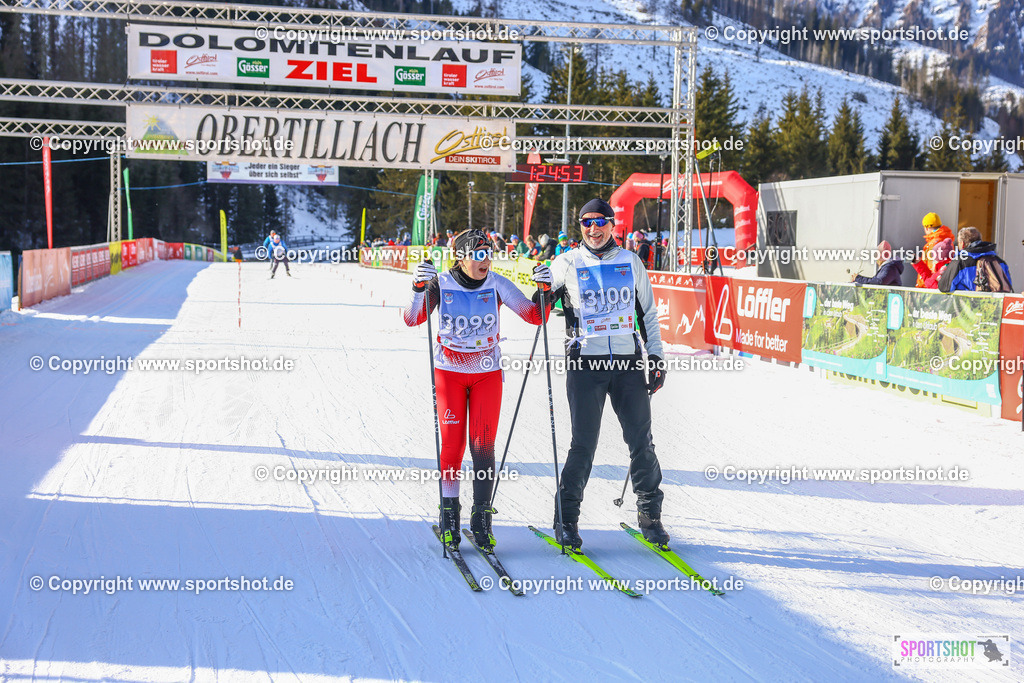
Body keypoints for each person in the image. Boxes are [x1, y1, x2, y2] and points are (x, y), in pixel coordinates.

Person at [404, 229, 553, 550]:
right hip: (449, 373)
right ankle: (449, 517)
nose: (486, 260)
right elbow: (412, 319)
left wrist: (544, 290)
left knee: (483, 448)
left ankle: (481, 518)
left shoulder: (496, 283)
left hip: (487, 374)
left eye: (489, 253)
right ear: (461, 257)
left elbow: (535, 315)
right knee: (453, 445)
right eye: (478, 254)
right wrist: (418, 288)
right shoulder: (441, 283)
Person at [548, 198, 668, 549]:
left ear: (613, 225)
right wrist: (542, 287)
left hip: (628, 362)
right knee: (583, 445)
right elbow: (539, 306)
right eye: (586, 223)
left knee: (641, 443)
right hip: (587, 364)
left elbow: (647, 314)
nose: (593, 229)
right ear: (580, 227)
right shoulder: (566, 262)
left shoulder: (631, 262)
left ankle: (650, 516)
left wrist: (656, 357)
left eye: (600, 222)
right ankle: (566, 519)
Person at [938, 227, 1013, 293]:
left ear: (962, 244)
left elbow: (945, 287)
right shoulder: (999, 261)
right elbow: (1007, 284)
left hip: (966, 306)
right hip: (993, 306)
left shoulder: (960, 262)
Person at [916, 213, 955, 287]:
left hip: (932, 285)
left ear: (926, 228)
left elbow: (931, 269)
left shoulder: (931, 245)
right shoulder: (948, 240)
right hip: (944, 281)